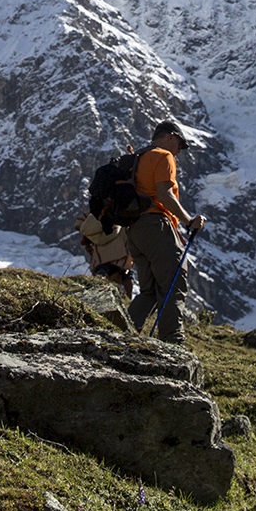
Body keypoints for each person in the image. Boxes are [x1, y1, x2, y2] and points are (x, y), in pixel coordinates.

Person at [125, 120, 206, 344]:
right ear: (170, 136)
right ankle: (173, 340)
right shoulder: (163, 156)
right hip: (156, 226)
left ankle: (124, 333)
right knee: (175, 279)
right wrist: (189, 221)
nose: (179, 150)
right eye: (180, 144)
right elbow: (164, 194)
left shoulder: (138, 157)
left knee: (149, 291)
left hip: (134, 230)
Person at [75, 211, 136, 300]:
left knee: (101, 279)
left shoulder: (94, 212)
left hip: (100, 259)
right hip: (120, 259)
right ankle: (128, 305)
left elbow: (80, 223)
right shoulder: (124, 212)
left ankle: (99, 301)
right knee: (126, 280)